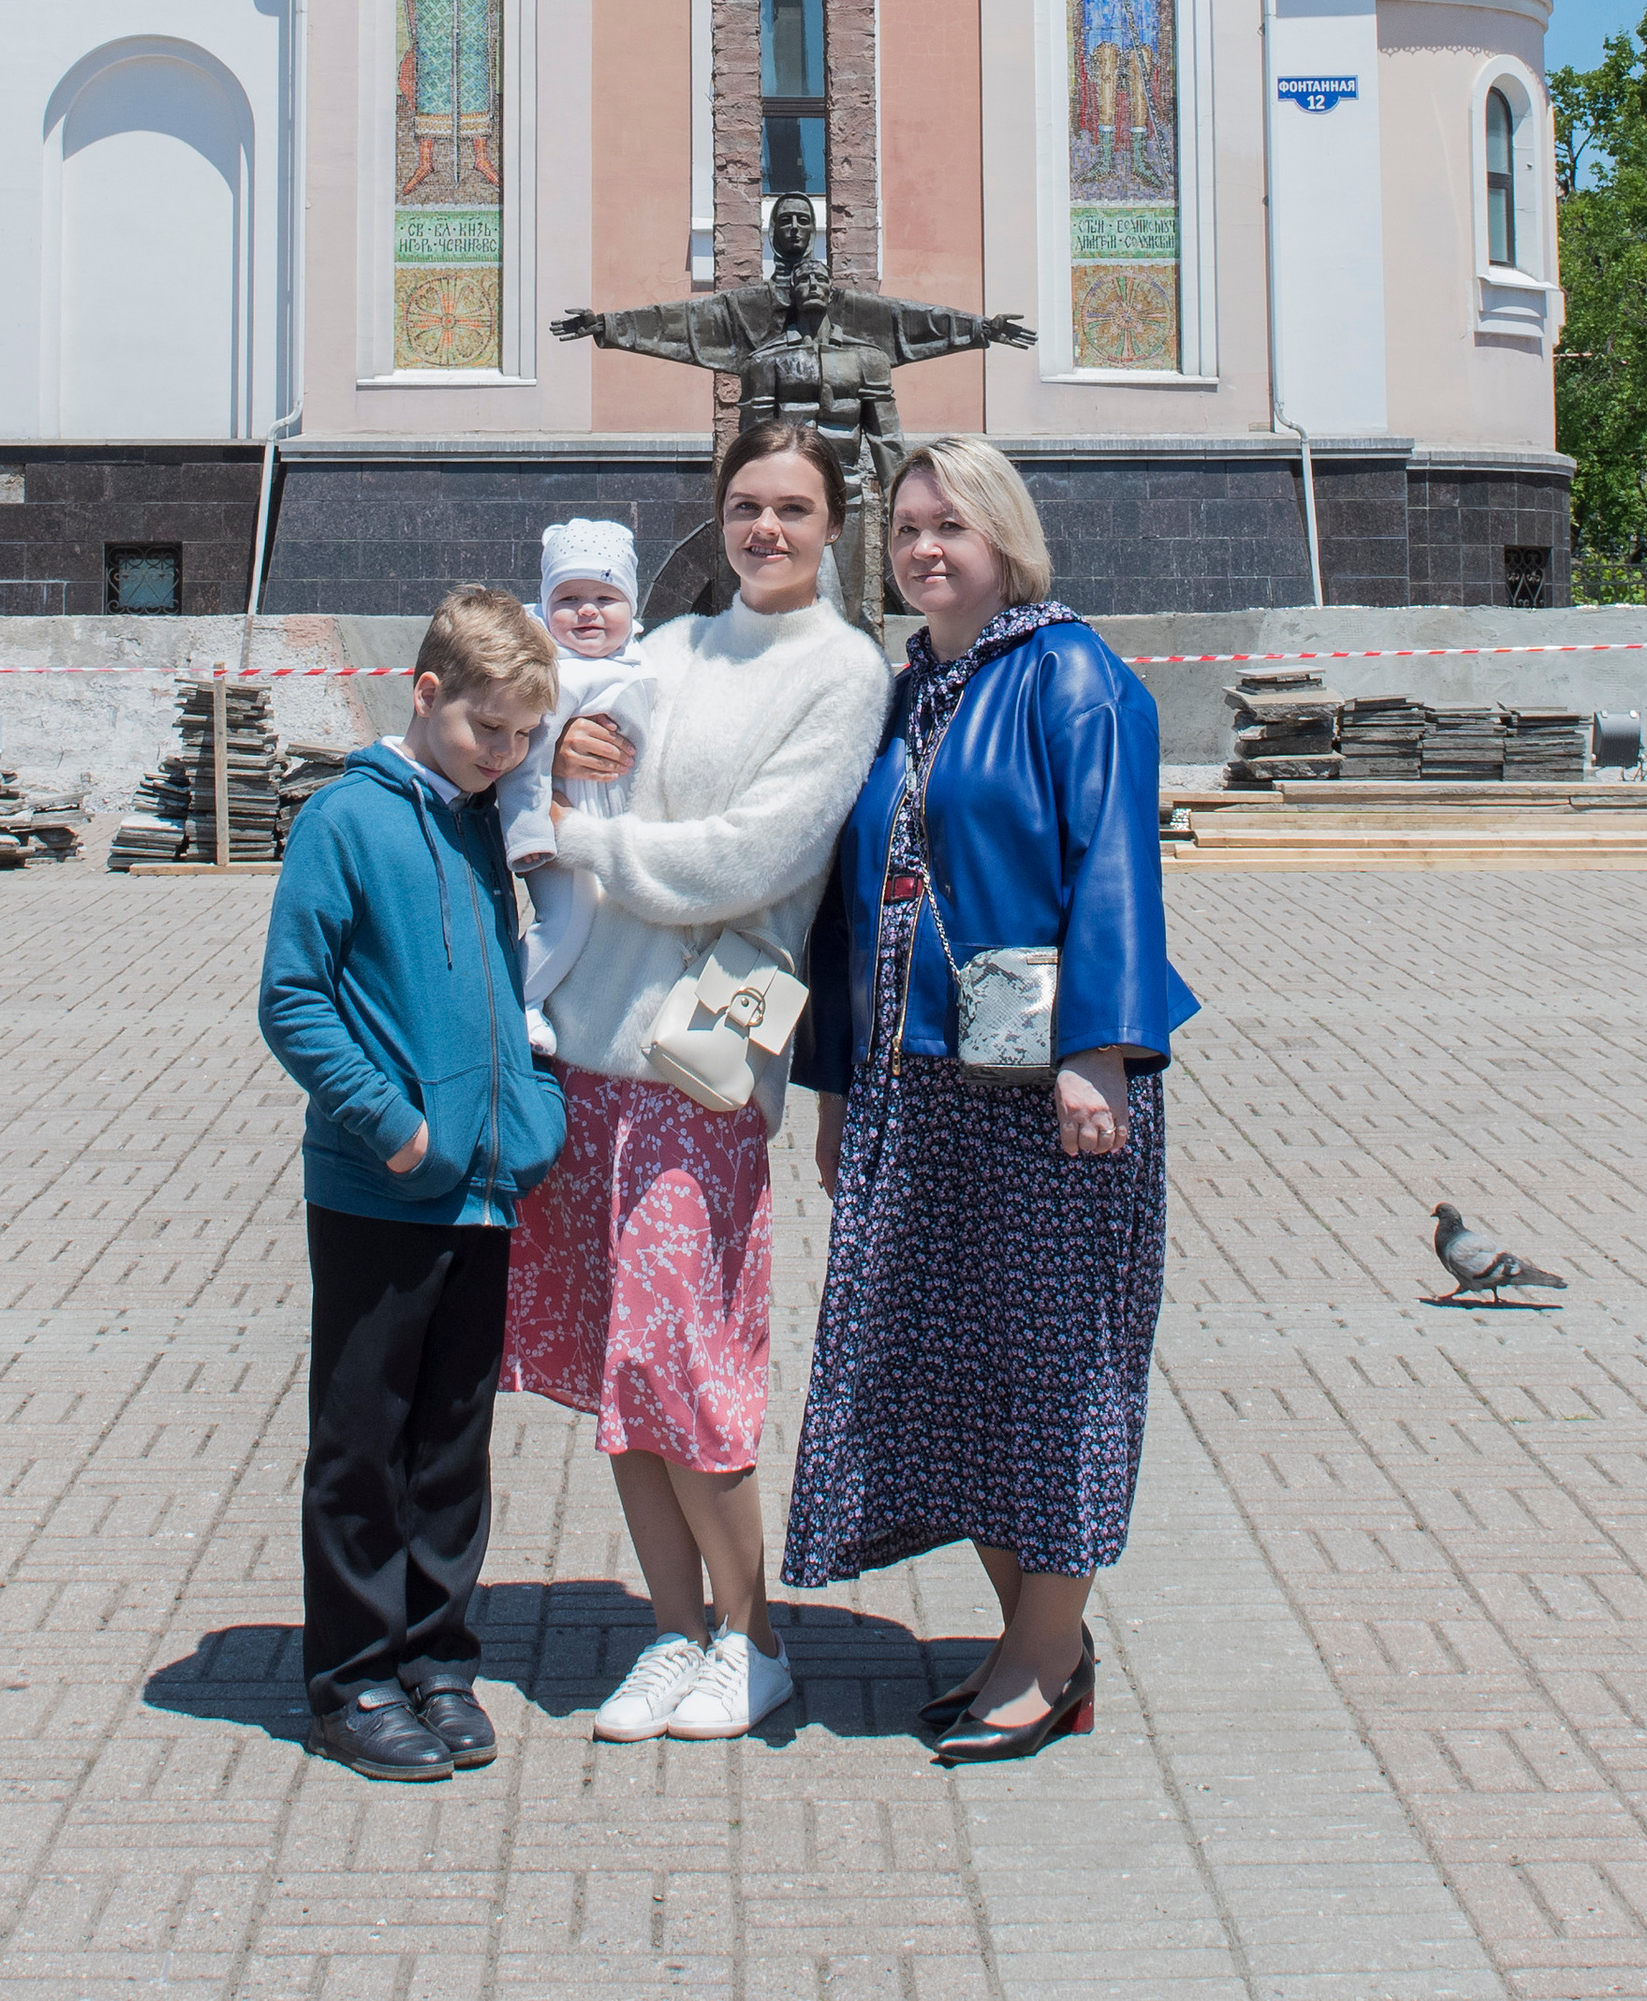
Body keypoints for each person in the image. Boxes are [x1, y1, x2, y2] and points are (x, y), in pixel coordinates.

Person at [781, 436, 1195, 1764]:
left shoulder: (1074, 674)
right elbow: (857, 905)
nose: (923, 549)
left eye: (949, 524)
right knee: (961, 1364)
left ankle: (1046, 1650)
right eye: (905, 527)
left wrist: (1103, 1050)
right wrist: (839, 1079)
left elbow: (1116, 869)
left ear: (1006, 534)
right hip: (922, 1080)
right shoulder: (914, 683)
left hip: (1046, 1085)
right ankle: (1033, 1641)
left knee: (1058, 1360)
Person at [500, 423, 890, 1745]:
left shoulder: (842, 671)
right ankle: (674, 1628)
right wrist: (567, 769)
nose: (765, 528)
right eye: (744, 505)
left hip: (701, 1057)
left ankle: (753, 1633)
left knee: (689, 1355)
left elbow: (759, 856)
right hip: (591, 1044)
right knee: (625, 1366)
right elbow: (553, 753)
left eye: (792, 506)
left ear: (835, 520)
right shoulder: (663, 648)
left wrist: (594, 835)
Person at [257, 584, 567, 1782]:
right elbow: (294, 998)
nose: (503, 755)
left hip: (486, 1184)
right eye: (487, 729)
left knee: (451, 1438)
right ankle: (350, 1678)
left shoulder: (481, 818)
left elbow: (503, 982)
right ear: (424, 693)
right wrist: (392, 1127)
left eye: (521, 738)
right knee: (362, 1438)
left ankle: (438, 1655)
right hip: (383, 1187)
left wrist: (530, 1114)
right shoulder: (349, 817)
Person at [493, 517, 657, 1049]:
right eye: (568, 598)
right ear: (543, 608)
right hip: (556, 835)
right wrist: (530, 836)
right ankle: (518, 1003)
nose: (587, 610)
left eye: (605, 596)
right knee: (566, 920)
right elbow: (527, 766)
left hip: (613, 834)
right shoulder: (553, 674)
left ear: (631, 605)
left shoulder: (640, 659)